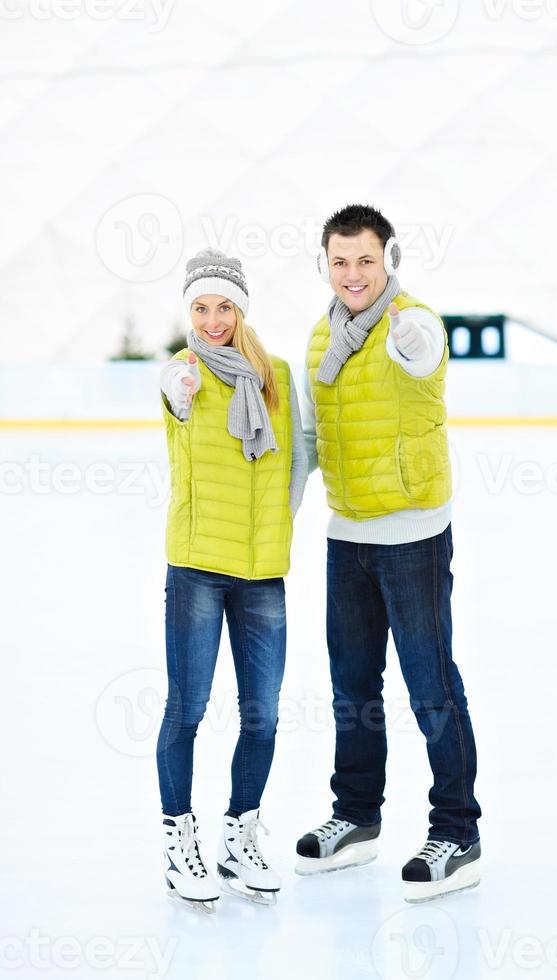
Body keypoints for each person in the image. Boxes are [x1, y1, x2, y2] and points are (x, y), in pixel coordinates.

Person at [296, 205, 482, 902]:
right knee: (352, 690)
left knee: (431, 687)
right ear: (326, 264)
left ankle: (458, 831)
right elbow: (311, 440)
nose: (353, 274)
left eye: (365, 260)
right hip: (348, 537)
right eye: (340, 261)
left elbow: (423, 353)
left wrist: (406, 328)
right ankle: (357, 816)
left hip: (413, 539)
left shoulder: (415, 322)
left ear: (388, 261)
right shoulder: (321, 337)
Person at [156, 247, 308, 910]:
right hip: (196, 569)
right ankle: (178, 837)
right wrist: (177, 393)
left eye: (223, 306)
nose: (212, 319)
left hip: (261, 573)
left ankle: (239, 834)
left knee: (264, 717)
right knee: (186, 708)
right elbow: (175, 403)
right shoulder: (183, 374)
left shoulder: (275, 376)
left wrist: (276, 526)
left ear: (241, 309)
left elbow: (298, 461)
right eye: (200, 307)